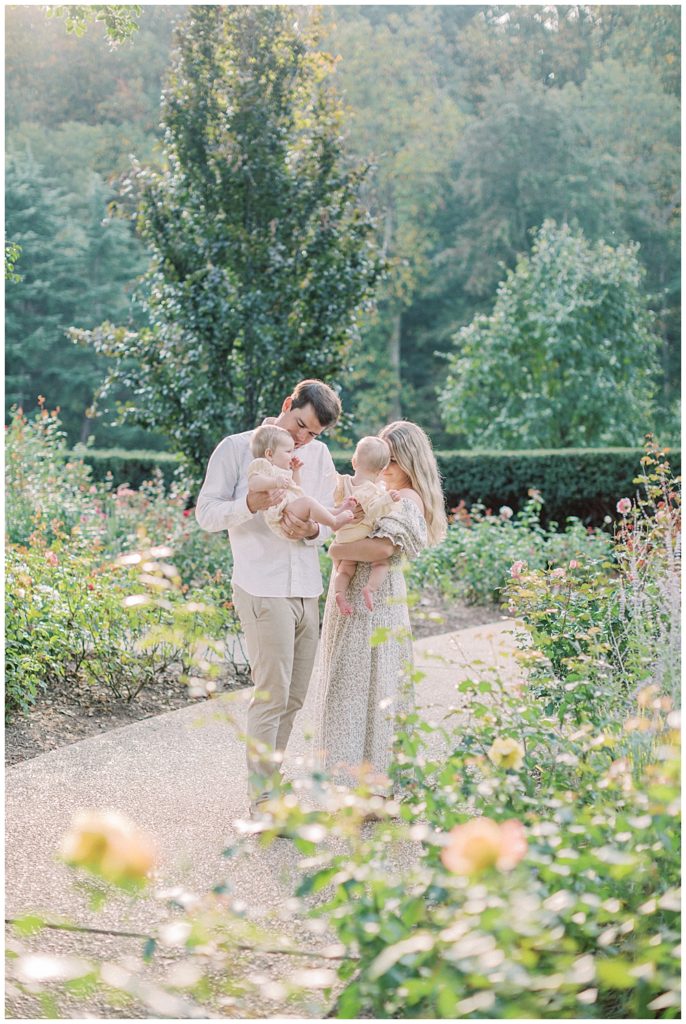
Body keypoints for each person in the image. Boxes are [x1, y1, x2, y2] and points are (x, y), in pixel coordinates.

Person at [195, 379, 349, 816]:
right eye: (300, 425)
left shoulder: (318, 457)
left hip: (306, 588)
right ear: (287, 405)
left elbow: (320, 518)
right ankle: (262, 800)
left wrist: (315, 530)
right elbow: (206, 514)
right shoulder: (236, 448)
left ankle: (272, 783)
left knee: (295, 696)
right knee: (271, 694)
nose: (302, 440)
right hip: (261, 586)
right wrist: (249, 503)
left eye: (313, 434)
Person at [314, 420, 447, 789]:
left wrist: (338, 549)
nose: (384, 464)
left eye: (392, 457)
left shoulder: (406, 498)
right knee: (352, 685)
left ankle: (375, 786)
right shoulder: (375, 493)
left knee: (375, 687)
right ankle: (352, 782)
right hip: (354, 594)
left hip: (377, 598)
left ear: (407, 459)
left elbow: (383, 548)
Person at [247, 424, 356, 538]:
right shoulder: (262, 466)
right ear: (269, 454)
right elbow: (254, 483)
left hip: (289, 508)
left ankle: (338, 511)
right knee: (308, 502)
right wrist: (275, 482)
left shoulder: (282, 471)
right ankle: (334, 523)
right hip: (281, 515)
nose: (292, 455)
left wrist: (295, 471)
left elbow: (296, 488)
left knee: (314, 505)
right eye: (288, 451)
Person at [332, 436, 400, 615]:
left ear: (354, 462)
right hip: (359, 535)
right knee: (381, 564)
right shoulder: (372, 489)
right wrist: (387, 499)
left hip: (342, 536)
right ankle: (370, 588)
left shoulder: (341, 482)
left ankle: (339, 594)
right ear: (381, 470)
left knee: (345, 569)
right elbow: (374, 511)